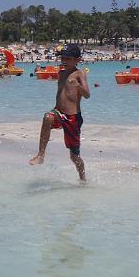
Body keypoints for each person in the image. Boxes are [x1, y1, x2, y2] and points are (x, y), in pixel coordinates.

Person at [29, 44, 90, 180]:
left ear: (77, 60)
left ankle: (83, 178)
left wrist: (78, 85)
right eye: (63, 58)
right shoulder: (61, 73)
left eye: (68, 58)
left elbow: (87, 95)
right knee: (47, 117)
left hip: (73, 117)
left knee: (74, 156)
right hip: (58, 112)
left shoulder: (80, 74)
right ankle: (41, 155)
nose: (64, 61)